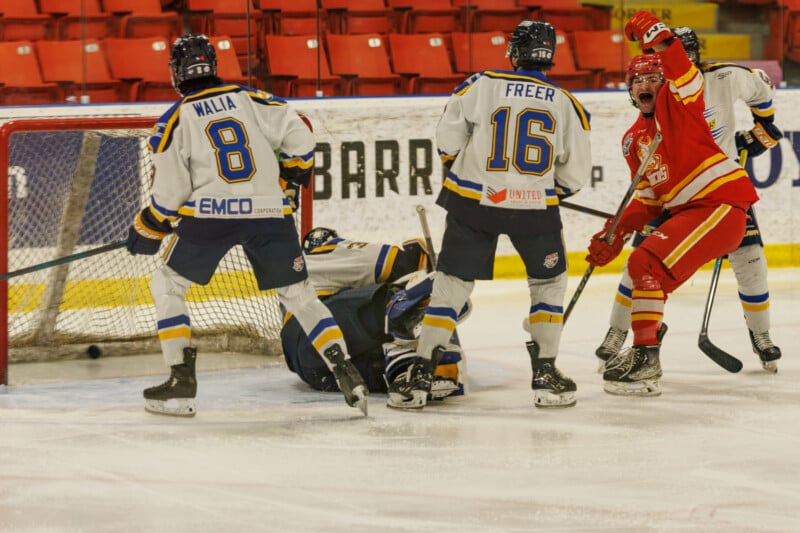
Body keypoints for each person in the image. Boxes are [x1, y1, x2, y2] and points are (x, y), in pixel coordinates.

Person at [126, 34, 367, 417]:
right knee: (300, 295)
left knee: (167, 284)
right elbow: (301, 137)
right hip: (270, 212)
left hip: (211, 215)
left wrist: (147, 227)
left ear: (176, 72)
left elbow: (170, 194)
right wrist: (291, 172)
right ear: (213, 66)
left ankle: (181, 382)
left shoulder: (174, 120)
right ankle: (346, 372)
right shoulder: (253, 99)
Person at [386, 19, 592, 410]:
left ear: (515, 53)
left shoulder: (480, 83)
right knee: (547, 284)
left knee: (451, 285)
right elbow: (575, 175)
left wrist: (462, 168)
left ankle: (422, 373)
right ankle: (546, 373)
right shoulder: (567, 103)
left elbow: (447, 139)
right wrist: (543, 192)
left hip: (473, 202)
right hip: (534, 210)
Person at [585, 12, 760, 397]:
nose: (645, 85)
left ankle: (647, 357)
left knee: (644, 261)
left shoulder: (681, 103)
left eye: (652, 78)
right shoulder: (634, 140)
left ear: (663, 84)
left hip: (720, 205)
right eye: (637, 80)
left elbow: (683, 72)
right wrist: (614, 231)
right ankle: (647, 349)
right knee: (646, 271)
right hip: (693, 214)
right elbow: (649, 200)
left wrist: (657, 37)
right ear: (629, 90)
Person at [280, 227, 467, 400]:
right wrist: (427, 262)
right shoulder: (334, 250)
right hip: (315, 327)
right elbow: (404, 262)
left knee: (376, 364)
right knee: (395, 293)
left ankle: (403, 369)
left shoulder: (294, 269)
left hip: (312, 367)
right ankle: (411, 349)